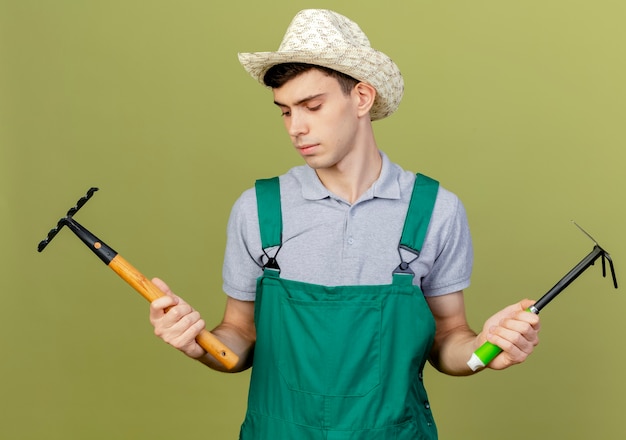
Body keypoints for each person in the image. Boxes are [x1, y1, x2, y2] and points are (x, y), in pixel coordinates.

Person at [149, 9, 540, 439]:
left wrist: (486, 351)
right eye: (284, 111)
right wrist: (197, 344)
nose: (296, 128)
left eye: (312, 106)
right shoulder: (258, 209)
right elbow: (238, 336)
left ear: (361, 98)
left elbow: (448, 339)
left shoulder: (435, 210)